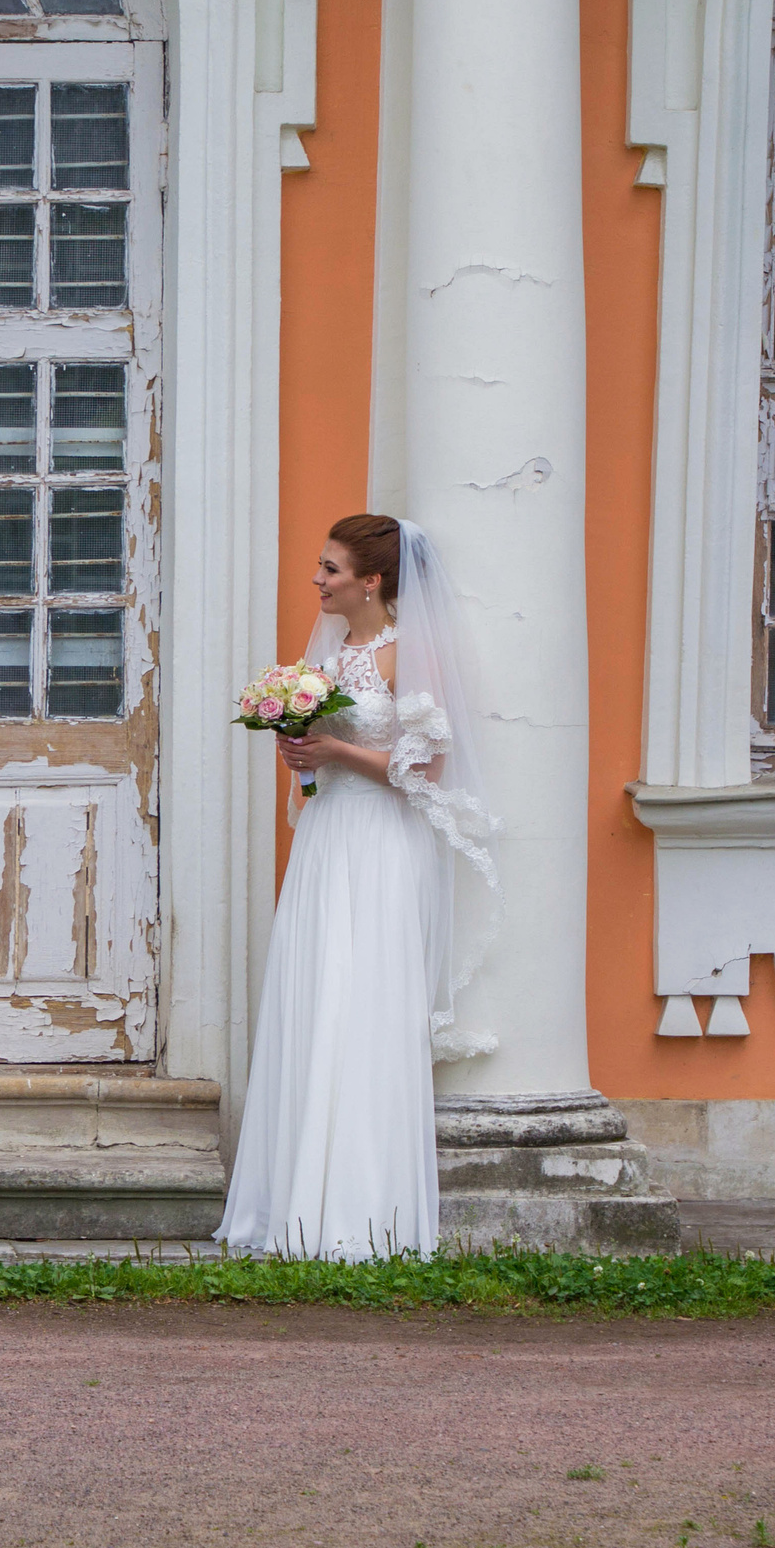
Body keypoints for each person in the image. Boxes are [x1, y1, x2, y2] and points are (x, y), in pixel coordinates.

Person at [215, 514, 499, 1260]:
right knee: (315, 998)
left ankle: (362, 1211)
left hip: (380, 843)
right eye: (321, 566)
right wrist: (303, 760)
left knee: (364, 1004)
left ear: (372, 580)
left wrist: (336, 745)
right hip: (327, 837)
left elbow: (425, 771)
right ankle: (295, 1201)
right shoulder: (332, 655)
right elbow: (321, 766)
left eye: (331, 569)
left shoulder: (409, 656)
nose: (318, 579)